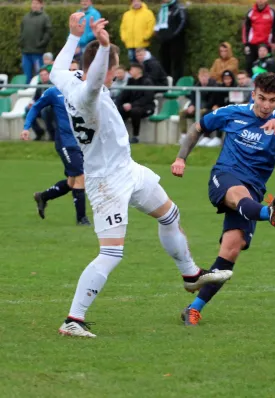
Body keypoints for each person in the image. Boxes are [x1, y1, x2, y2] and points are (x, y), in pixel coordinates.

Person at [51, 13, 232, 338]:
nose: (117, 72)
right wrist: (105, 46)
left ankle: (190, 274)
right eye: (114, 66)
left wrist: (73, 36)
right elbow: (94, 82)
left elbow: (55, 71)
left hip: (128, 169)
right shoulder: (87, 92)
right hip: (106, 181)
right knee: (111, 253)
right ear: (106, 67)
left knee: (170, 214)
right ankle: (72, 320)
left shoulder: (71, 78)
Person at [171, 72, 275, 326]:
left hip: (254, 191)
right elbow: (198, 128)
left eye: (273, 100)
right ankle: (269, 212)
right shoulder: (232, 112)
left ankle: (193, 308)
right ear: (253, 93)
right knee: (239, 194)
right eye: (262, 98)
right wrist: (181, 157)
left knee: (230, 252)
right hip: (225, 177)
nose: (266, 105)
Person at [21, 84, 91, 226]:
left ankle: (43, 196)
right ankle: (81, 219)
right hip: (66, 142)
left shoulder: (83, 89)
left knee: (72, 181)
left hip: (82, 141)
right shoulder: (53, 92)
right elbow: (35, 107)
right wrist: (26, 127)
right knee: (81, 176)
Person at [116, 63, 156, 144]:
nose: (130, 71)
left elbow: (147, 98)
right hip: (131, 106)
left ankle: (135, 136)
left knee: (135, 111)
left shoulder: (147, 81)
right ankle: (119, 135)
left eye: (132, 69)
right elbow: (124, 95)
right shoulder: (130, 81)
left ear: (138, 71)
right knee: (119, 110)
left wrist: (132, 105)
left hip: (146, 107)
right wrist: (120, 104)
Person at [20, 0, 52, 84]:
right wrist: (21, 42)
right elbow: (22, 31)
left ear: (41, 5)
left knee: (40, 74)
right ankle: (27, 93)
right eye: (33, 3)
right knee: (26, 75)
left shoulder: (45, 17)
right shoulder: (26, 17)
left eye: (37, 3)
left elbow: (48, 33)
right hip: (25, 52)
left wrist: (41, 44)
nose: (34, 5)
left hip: (38, 53)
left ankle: (39, 93)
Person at [154, 0, 187, 83]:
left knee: (177, 64)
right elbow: (158, 23)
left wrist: (173, 35)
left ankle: (177, 84)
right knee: (164, 63)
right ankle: (166, 84)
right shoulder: (162, 8)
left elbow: (183, 22)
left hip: (176, 41)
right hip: (164, 41)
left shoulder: (179, 7)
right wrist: (158, 34)